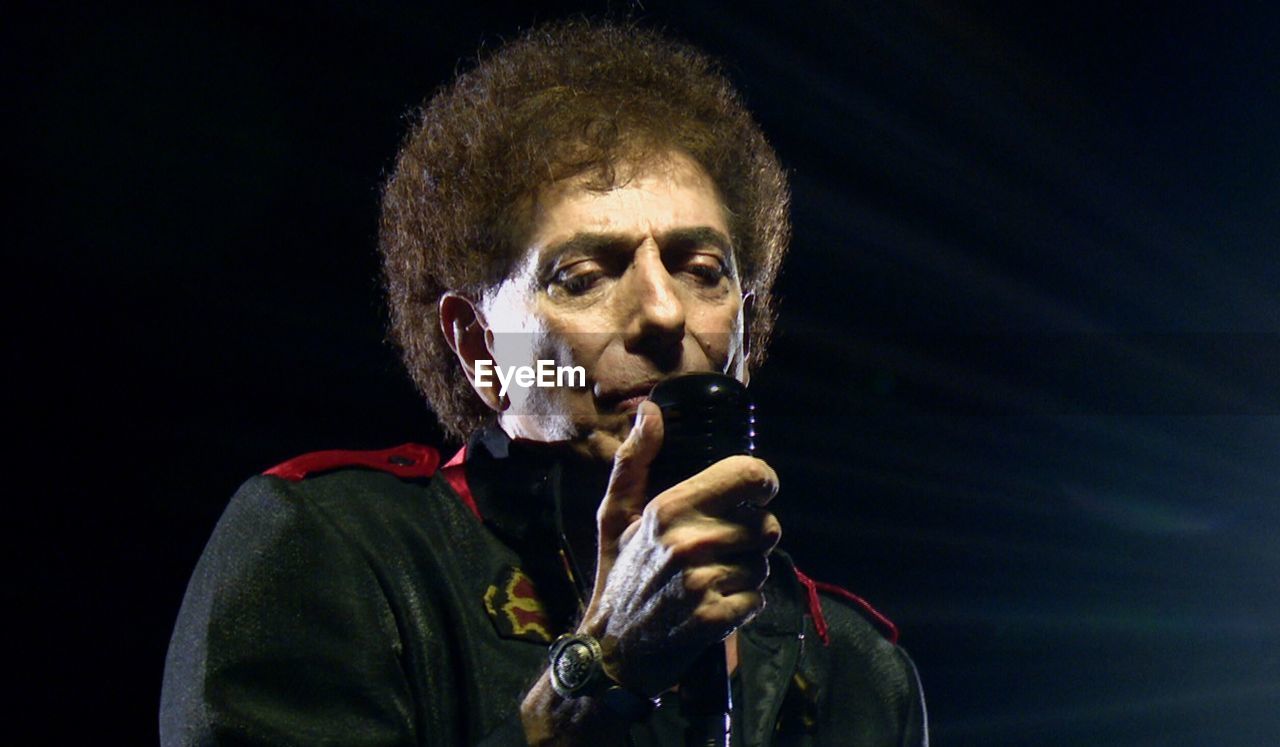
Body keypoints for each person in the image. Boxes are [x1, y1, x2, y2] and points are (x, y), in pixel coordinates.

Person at [161, 20, 928, 746]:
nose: (664, 312)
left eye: (703, 270)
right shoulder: (336, 552)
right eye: (583, 276)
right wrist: (600, 671)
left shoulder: (856, 666)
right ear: (480, 346)